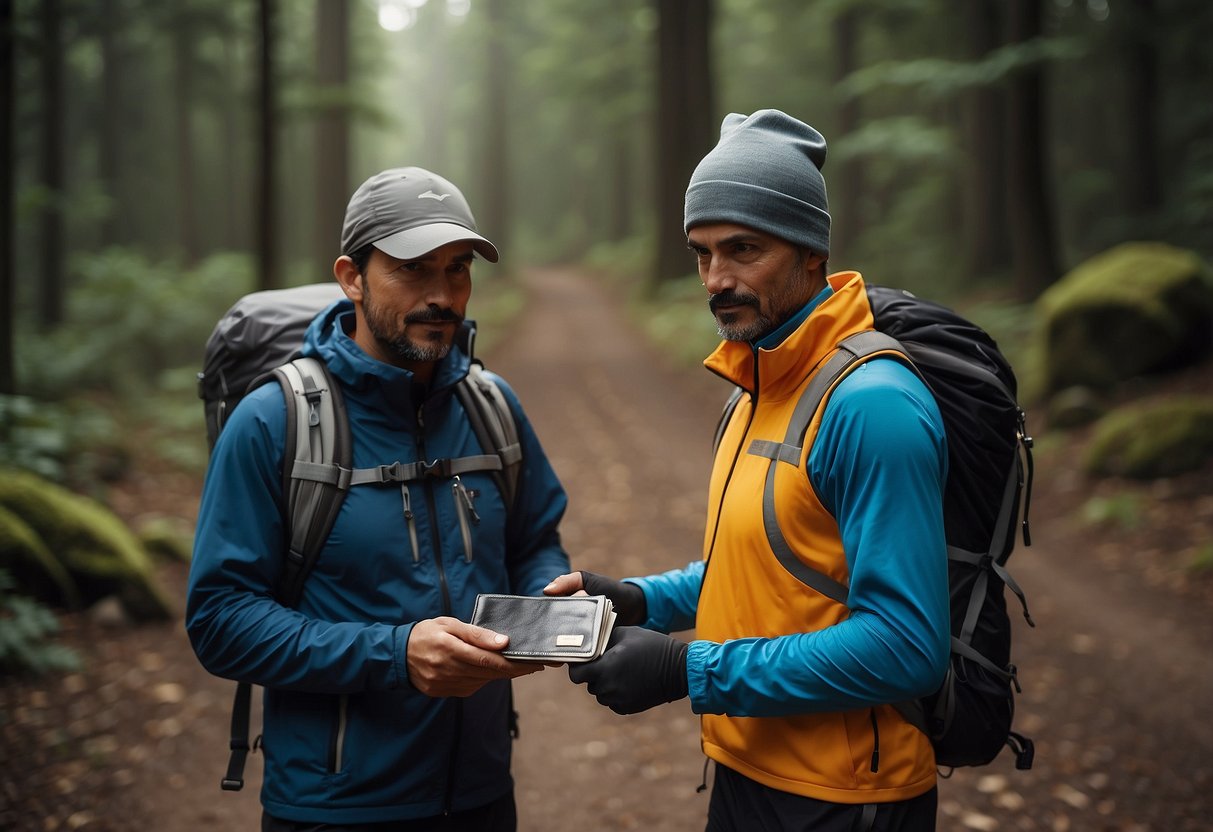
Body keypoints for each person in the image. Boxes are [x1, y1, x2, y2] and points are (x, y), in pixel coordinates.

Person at [546, 110, 951, 831]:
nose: (716, 279)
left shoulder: (871, 405)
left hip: (846, 800)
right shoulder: (754, 385)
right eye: (702, 253)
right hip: (747, 773)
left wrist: (686, 671)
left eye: (743, 249)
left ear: (810, 257)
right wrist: (639, 601)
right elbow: (775, 569)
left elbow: (905, 647)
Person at [187, 166, 571, 831]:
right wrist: (395, 653)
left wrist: (544, 598)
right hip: (334, 807)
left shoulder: (490, 406)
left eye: (456, 270)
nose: (442, 295)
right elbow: (220, 620)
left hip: (480, 791)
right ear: (351, 276)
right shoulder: (273, 422)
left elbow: (534, 539)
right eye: (412, 270)